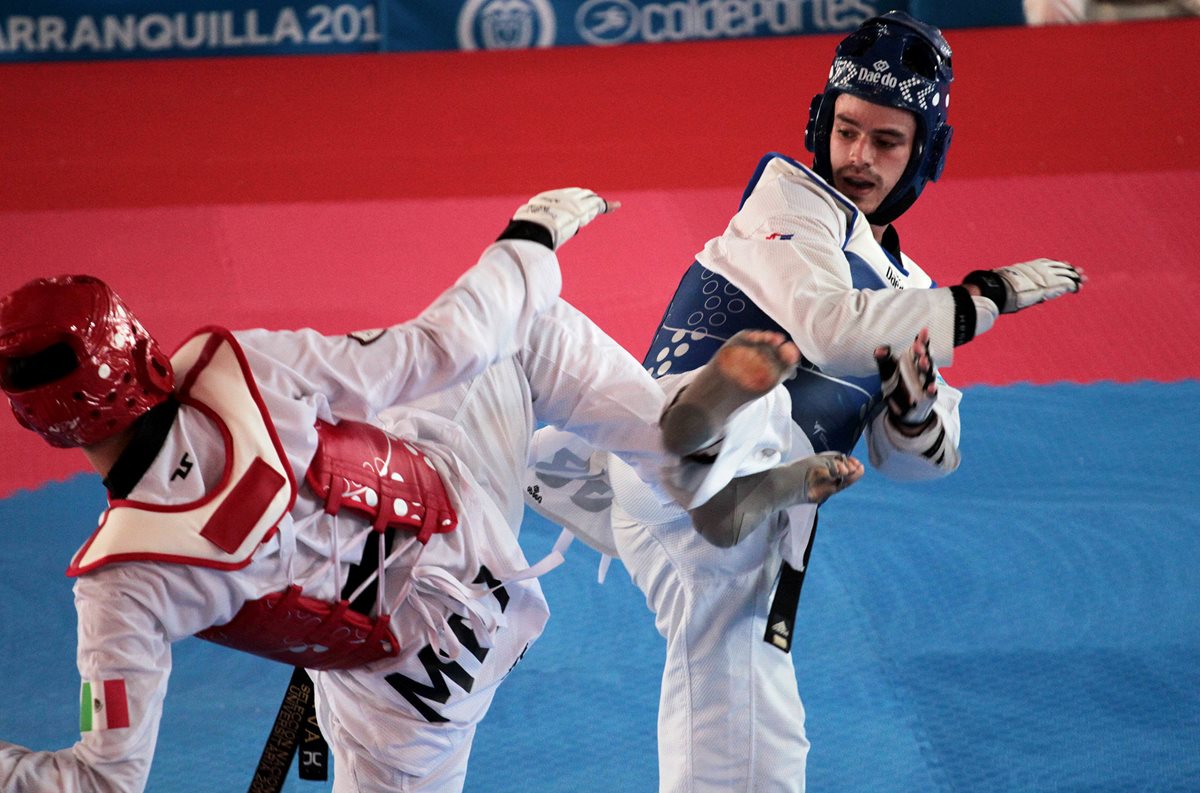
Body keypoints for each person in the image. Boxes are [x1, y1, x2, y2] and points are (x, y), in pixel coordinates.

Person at [0, 187, 861, 793]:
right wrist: (525, 240)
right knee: (518, 333)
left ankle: (673, 470)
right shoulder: (229, 368)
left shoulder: (121, 584)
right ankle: (683, 460)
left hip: (413, 692)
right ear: (134, 350)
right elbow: (431, 350)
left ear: (43, 424)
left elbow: (100, 781)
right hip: (458, 495)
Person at [566, 12, 1084, 793]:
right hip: (674, 459)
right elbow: (829, 323)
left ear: (924, 154)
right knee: (750, 420)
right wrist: (985, 300)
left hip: (744, 540)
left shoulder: (911, 295)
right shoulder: (787, 204)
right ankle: (669, 441)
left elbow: (924, 461)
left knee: (763, 754)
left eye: (885, 142)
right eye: (846, 131)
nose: (857, 158)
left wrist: (911, 415)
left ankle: (572, 471)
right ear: (820, 123)